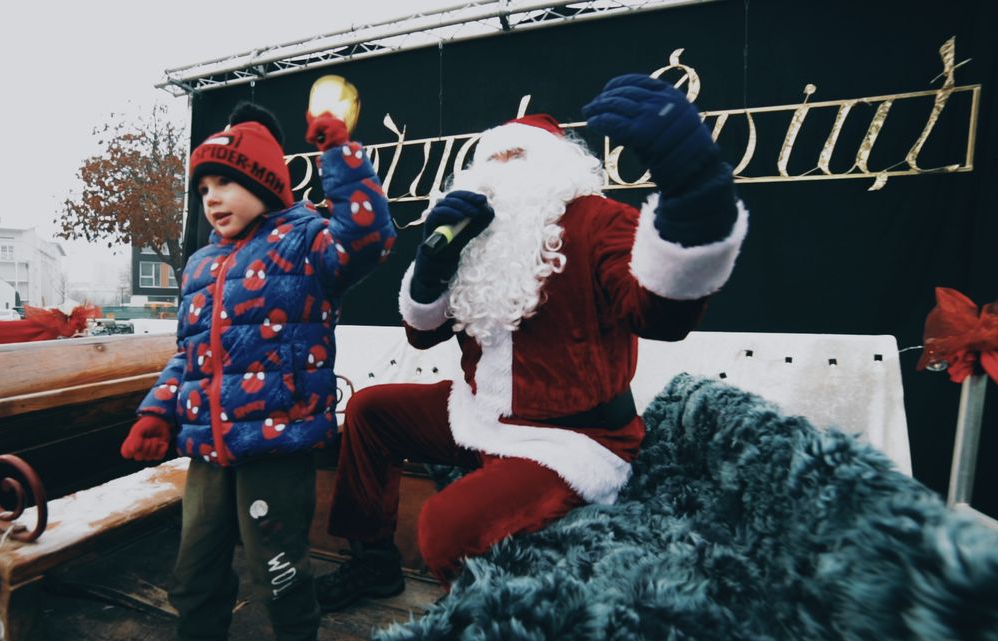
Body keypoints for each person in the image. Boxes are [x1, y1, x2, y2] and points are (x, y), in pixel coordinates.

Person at [314, 74, 748, 610]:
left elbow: (661, 315)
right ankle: (374, 564)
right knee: (370, 410)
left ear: (558, 168)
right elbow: (421, 335)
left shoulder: (600, 222)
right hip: (479, 416)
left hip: (569, 440)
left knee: (445, 527)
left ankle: (484, 616)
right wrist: (432, 266)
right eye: (491, 160)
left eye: (517, 158)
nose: (501, 172)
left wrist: (693, 200)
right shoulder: (474, 234)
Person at [121, 101, 395, 641]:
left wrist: (340, 156)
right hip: (207, 453)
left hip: (275, 449)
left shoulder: (307, 241)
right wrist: (157, 412)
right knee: (193, 576)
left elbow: (369, 236)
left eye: (224, 181)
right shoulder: (201, 264)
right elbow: (190, 356)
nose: (212, 198)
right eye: (203, 189)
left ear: (264, 180)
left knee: (280, 576)